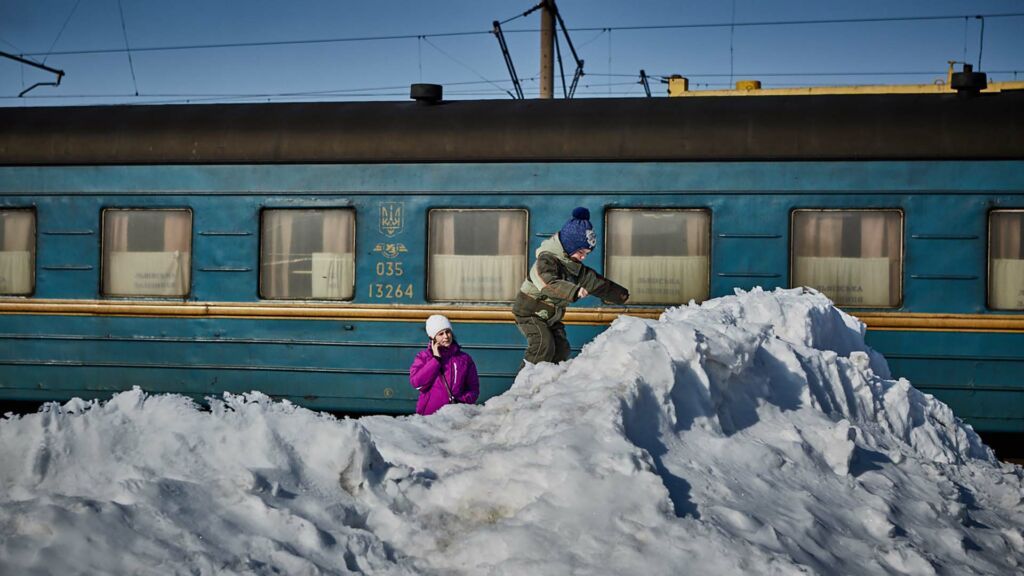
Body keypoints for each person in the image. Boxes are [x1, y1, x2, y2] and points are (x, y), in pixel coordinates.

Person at [512, 207, 629, 366]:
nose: (583, 257)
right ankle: (526, 380)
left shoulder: (572, 265)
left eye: (587, 253)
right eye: (581, 252)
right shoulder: (546, 259)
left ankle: (550, 379)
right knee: (542, 345)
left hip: (550, 316)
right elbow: (547, 283)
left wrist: (620, 295)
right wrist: (575, 291)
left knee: (561, 349)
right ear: (569, 245)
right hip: (530, 312)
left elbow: (594, 282)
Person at [409, 314, 480, 415]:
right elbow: (417, 384)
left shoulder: (464, 359)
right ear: (432, 337)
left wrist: (462, 401)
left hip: (455, 416)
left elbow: (473, 389)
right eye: (441, 334)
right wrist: (435, 360)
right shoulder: (423, 357)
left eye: (448, 332)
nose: (446, 336)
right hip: (430, 415)